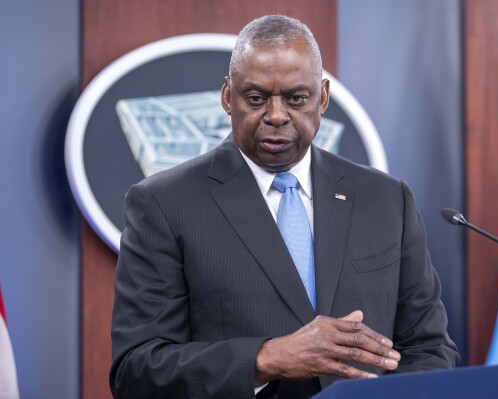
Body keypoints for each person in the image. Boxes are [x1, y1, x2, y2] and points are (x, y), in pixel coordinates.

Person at [110, 15, 459, 399]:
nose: (276, 116)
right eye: (256, 98)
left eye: (296, 98)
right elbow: (137, 370)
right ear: (228, 97)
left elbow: (430, 350)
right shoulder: (163, 202)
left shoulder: (387, 199)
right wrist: (267, 358)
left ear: (323, 97)